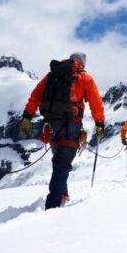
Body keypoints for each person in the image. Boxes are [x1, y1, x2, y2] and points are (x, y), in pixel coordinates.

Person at [19, 52, 105, 209]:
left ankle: (62, 194)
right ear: (82, 63)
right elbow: (96, 103)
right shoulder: (85, 78)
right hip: (70, 124)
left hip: (51, 124)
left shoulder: (52, 74)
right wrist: (100, 124)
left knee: (59, 160)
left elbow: (36, 95)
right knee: (63, 163)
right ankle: (53, 204)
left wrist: (27, 116)